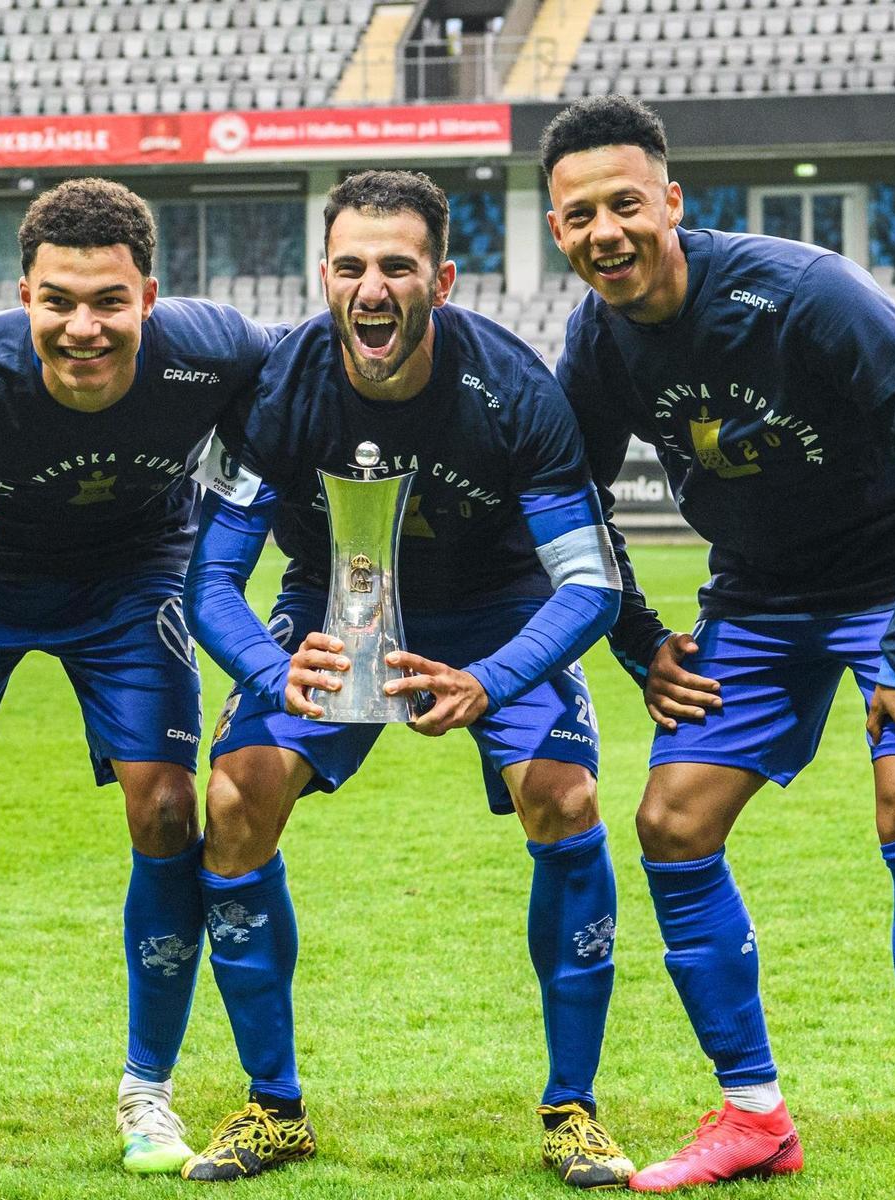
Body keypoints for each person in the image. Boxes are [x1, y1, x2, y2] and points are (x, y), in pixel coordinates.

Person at [541, 97, 895, 1199]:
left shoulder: (806, 294)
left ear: (671, 204)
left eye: (623, 205)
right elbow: (569, 500)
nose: (604, 232)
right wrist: (640, 639)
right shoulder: (599, 340)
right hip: (758, 596)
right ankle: (755, 1117)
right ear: (557, 230)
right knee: (671, 819)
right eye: (576, 215)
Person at [181, 170, 631, 1188]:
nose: (372, 288)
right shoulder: (281, 389)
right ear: (324, 274)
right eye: (351, 266)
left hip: (498, 607)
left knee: (564, 797)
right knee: (237, 794)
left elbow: (587, 586)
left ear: (445, 279)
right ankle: (273, 1106)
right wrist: (267, 664)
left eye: (397, 266)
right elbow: (210, 579)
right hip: (338, 599)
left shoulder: (515, 392)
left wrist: (492, 677)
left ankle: (574, 1110)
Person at [0, 178, 278, 1182]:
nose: (85, 327)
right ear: (24, 293)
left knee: (166, 807)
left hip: (132, 582)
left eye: (109, 302)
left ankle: (149, 1097)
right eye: (59, 302)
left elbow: (295, 379)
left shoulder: (215, 350)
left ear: (149, 297)